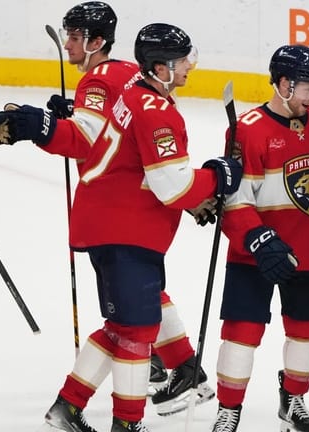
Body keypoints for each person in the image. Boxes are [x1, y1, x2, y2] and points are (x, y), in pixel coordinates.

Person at [0, 22, 241, 432]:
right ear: (160, 68)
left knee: (124, 326)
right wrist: (217, 177)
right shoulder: (155, 109)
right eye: (182, 63)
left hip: (108, 224)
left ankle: (69, 407)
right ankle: (126, 423)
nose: (188, 69)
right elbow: (170, 183)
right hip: (128, 229)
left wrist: (193, 195)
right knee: (137, 331)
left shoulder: (133, 97)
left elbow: (131, 161)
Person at [46, 1, 215, 412]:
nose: (69, 44)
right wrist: (210, 181)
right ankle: (131, 404)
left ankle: (177, 368)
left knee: (139, 313)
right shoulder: (128, 79)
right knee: (135, 322)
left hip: (115, 214)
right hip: (124, 218)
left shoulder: (110, 82)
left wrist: (50, 128)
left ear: (96, 41)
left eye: (75, 36)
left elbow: (103, 141)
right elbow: (146, 158)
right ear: (160, 68)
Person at [207, 45, 309, 432]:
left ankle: (293, 400)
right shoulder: (248, 129)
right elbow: (234, 200)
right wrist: (257, 239)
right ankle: (229, 411)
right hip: (253, 256)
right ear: (285, 84)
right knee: (241, 336)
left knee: (306, 333)